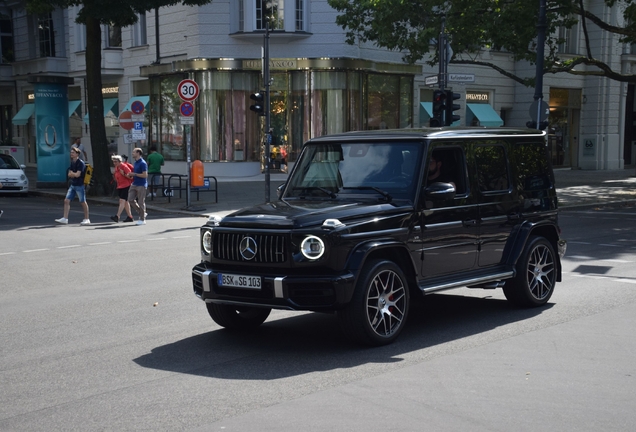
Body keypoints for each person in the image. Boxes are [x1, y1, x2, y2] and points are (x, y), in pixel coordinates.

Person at [55, 147, 90, 225]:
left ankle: (87, 219)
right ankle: (65, 218)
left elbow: (78, 175)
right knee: (66, 201)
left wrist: (73, 174)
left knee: (83, 202)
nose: (71, 154)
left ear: (77, 154)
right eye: (71, 152)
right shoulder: (72, 162)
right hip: (73, 184)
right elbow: (69, 174)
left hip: (80, 185)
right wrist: (73, 174)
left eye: (73, 153)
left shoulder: (81, 163)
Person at [127, 147, 148, 225]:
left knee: (141, 201)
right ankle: (141, 212)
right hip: (134, 183)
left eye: (134, 152)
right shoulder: (135, 162)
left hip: (141, 185)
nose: (132, 153)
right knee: (130, 199)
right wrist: (131, 175)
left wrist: (134, 174)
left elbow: (145, 175)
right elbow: (135, 173)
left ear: (138, 153)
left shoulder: (143, 163)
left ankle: (142, 219)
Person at [110, 155, 134, 223]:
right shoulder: (116, 167)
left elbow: (131, 177)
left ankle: (117, 216)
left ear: (120, 161)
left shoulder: (124, 167)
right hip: (120, 186)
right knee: (126, 202)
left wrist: (124, 174)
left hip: (126, 185)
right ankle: (130, 216)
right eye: (113, 162)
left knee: (122, 201)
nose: (114, 163)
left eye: (116, 162)